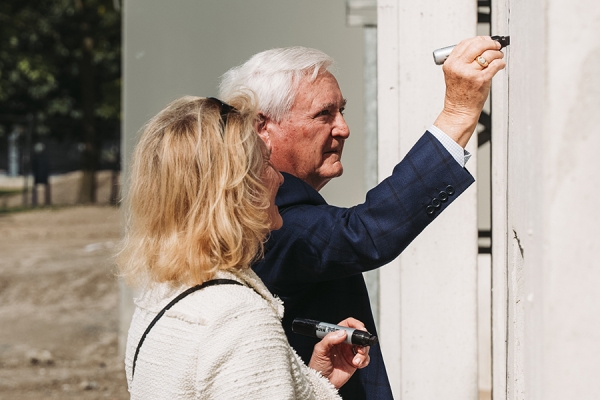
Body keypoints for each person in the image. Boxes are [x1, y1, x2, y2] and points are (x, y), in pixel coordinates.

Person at [219, 36, 506, 400]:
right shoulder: (266, 217)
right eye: (324, 114)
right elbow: (364, 233)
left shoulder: (285, 206)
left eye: (342, 111)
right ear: (263, 128)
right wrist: (458, 114)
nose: (343, 128)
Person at [118, 94, 371, 399]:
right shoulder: (240, 320)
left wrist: (312, 383)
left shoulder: (160, 294)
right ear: (237, 189)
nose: (280, 179)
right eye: (266, 162)